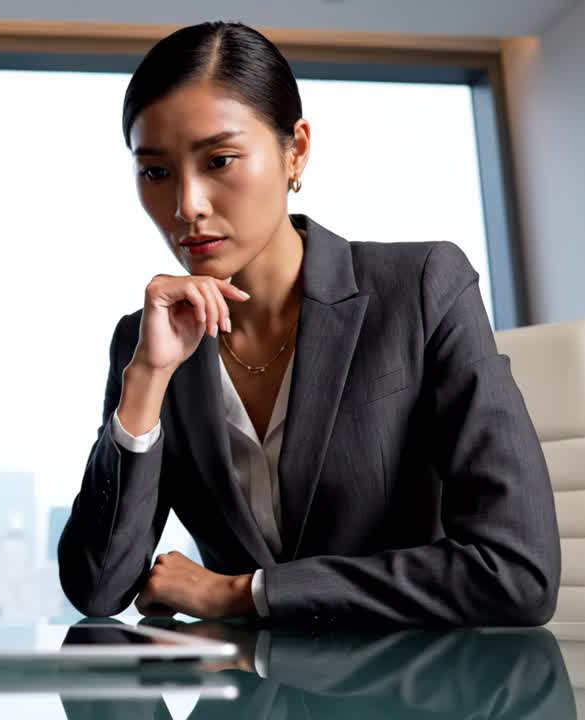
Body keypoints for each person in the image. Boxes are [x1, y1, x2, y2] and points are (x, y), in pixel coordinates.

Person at [58, 21, 559, 625]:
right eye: (156, 172)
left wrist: (243, 593)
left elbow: (518, 572)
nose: (187, 205)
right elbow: (97, 590)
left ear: (296, 150)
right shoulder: (148, 342)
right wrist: (145, 382)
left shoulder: (424, 287)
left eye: (220, 159)